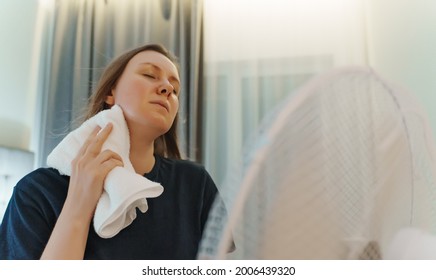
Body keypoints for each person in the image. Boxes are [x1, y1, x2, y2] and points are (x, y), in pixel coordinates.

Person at [0, 44, 219, 260]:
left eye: (175, 88)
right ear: (110, 92)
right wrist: (79, 204)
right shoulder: (37, 192)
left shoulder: (195, 185)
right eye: (149, 75)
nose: (167, 88)